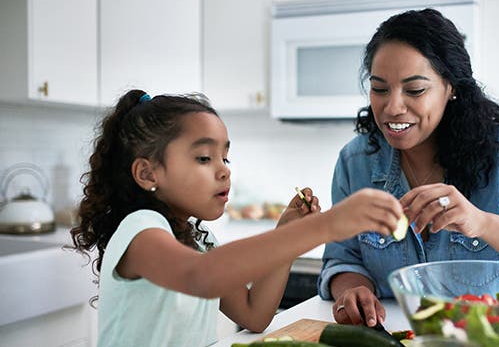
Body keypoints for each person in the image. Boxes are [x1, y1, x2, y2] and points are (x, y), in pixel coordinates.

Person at [317, 8, 499, 328]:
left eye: (415, 90)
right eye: (380, 88)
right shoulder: (355, 162)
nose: (392, 107)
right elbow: (343, 258)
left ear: (451, 88)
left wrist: (482, 223)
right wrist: (354, 288)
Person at [70, 89, 405, 347]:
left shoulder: (200, 242)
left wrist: (289, 233)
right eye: (204, 158)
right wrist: (326, 225)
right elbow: (200, 277)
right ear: (147, 173)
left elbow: (254, 314)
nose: (223, 172)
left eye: (225, 159)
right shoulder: (141, 230)